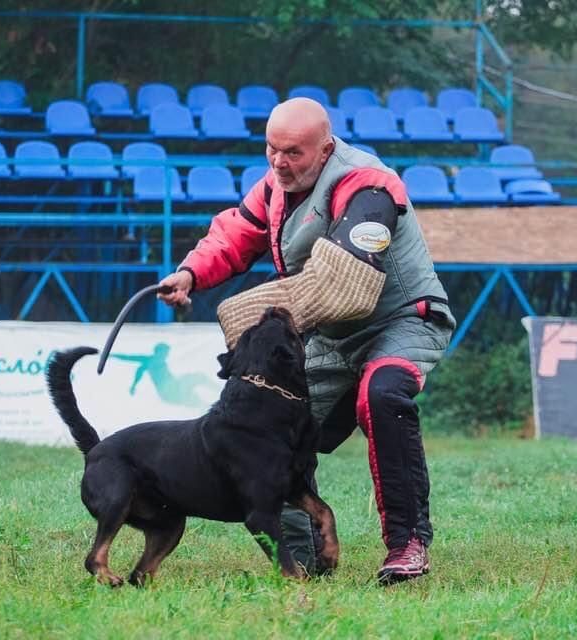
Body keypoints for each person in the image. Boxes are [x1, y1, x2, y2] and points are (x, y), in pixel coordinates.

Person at [157, 97, 456, 584]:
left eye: (293, 152)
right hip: (331, 335)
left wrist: (243, 315)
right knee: (263, 421)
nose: (279, 162)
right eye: (272, 150)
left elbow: (344, 286)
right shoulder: (275, 185)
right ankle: (301, 554)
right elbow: (235, 233)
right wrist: (191, 271)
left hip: (399, 320)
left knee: (381, 394)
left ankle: (407, 544)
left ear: (326, 149)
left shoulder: (369, 186)